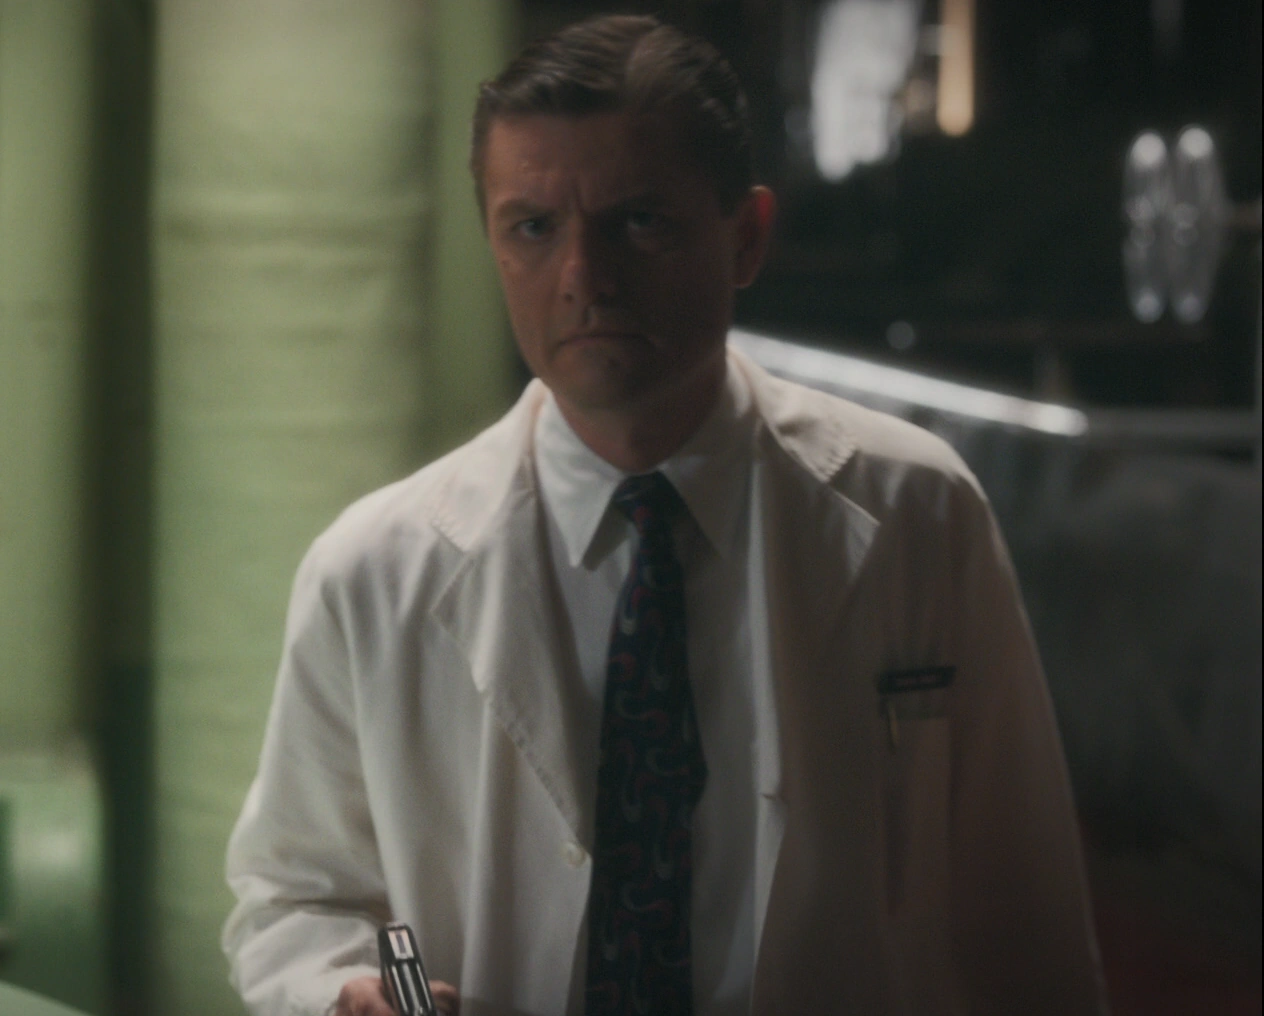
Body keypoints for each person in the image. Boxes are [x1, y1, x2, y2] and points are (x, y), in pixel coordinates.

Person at [223, 14, 1107, 1016]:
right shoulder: (373, 569)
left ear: (746, 237)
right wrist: (355, 991)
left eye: (638, 221)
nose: (583, 277)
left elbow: (1024, 913)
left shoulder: (915, 509)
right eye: (532, 227)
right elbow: (297, 895)